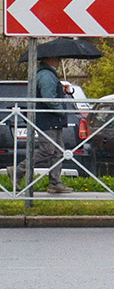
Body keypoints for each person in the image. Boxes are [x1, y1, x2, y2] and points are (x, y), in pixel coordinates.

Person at [14, 56, 74, 194]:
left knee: (59, 152)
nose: (59, 61)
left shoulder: (49, 74)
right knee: (48, 150)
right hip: (49, 119)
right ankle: (18, 171)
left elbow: (51, 95)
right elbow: (49, 99)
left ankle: (55, 182)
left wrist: (62, 90)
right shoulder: (46, 75)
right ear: (49, 59)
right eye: (57, 59)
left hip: (52, 120)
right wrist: (62, 111)